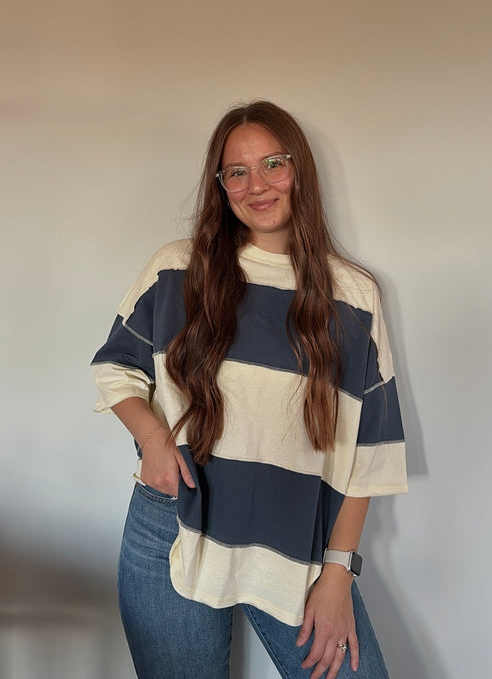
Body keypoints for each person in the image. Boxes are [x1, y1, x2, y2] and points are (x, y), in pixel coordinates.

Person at [91, 100, 407, 679]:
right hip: (172, 525)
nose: (255, 185)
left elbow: (370, 453)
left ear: (300, 171)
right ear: (221, 186)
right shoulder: (175, 271)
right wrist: (155, 439)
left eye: (272, 164)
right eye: (236, 172)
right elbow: (116, 367)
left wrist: (337, 572)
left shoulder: (354, 297)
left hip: (297, 544)